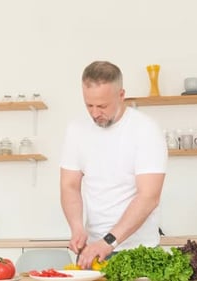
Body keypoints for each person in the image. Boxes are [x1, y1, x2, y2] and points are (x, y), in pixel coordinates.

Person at [59, 61, 168, 269]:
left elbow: (149, 196)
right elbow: (69, 185)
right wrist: (77, 228)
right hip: (92, 251)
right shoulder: (76, 130)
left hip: (138, 251)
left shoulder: (145, 130)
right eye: (88, 105)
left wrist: (109, 241)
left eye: (102, 106)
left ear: (121, 95)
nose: (94, 113)